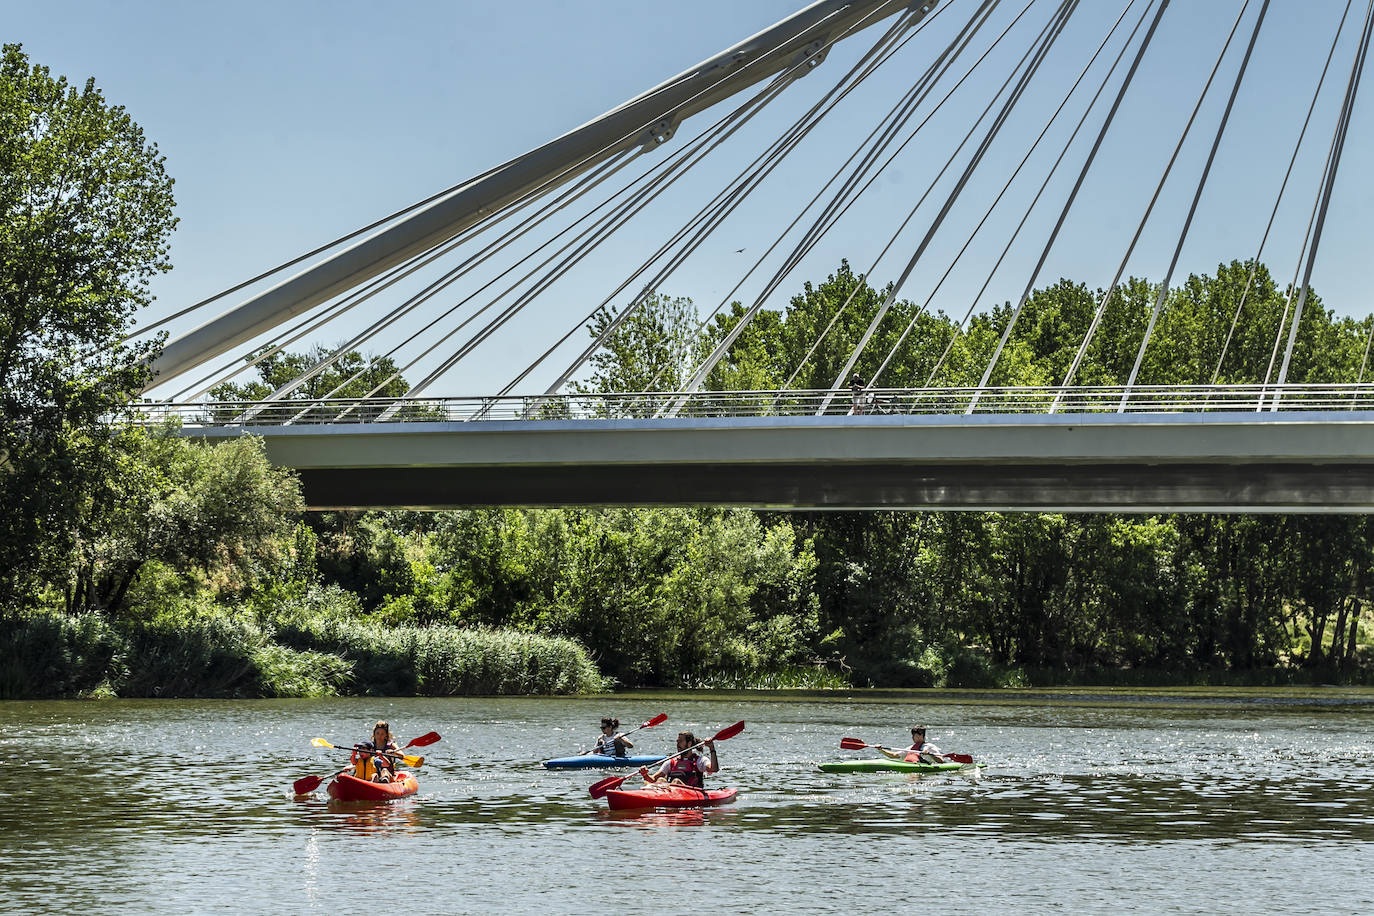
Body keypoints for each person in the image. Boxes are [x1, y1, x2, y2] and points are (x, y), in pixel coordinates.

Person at [639, 731, 718, 788]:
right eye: (677, 741)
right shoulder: (671, 762)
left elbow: (714, 769)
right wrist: (645, 774)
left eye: (680, 742)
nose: (677, 744)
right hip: (671, 793)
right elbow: (652, 779)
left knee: (676, 781)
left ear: (689, 744)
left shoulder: (700, 760)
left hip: (692, 794)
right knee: (660, 779)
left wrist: (712, 748)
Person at [880, 725, 948, 764]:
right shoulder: (911, 748)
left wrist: (930, 754)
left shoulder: (930, 746)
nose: (912, 737)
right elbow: (893, 755)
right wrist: (880, 749)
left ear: (921, 735)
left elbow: (941, 761)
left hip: (925, 769)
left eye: (914, 735)